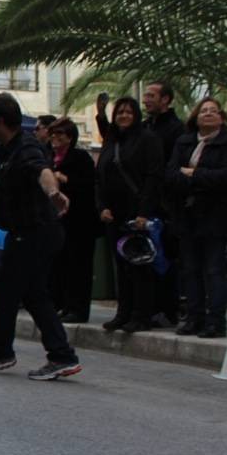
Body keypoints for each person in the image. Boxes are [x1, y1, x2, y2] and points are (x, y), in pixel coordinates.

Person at [0, 93, 81, 380]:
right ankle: (61, 355)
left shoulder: (26, 146)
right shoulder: (4, 149)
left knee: (6, 291)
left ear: (0, 121)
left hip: (36, 233)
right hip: (25, 233)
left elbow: (42, 171)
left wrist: (53, 193)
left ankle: (0, 353)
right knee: (33, 294)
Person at [167, 97, 227, 338]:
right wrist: (197, 179)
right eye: (203, 111)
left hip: (216, 216)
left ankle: (215, 321)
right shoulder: (184, 142)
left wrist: (194, 175)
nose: (208, 114)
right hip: (187, 215)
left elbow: (226, 177)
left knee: (214, 270)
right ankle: (194, 317)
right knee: (190, 269)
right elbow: (171, 174)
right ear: (196, 117)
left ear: (221, 117)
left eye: (213, 111)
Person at [97, 96, 164, 334]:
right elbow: (101, 177)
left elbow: (153, 177)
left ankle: (141, 314)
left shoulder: (147, 140)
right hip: (113, 214)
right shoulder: (111, 141)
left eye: (128, 112)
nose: (123, 116)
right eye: (119, 113)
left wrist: (144, 212)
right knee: (121, 267)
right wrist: (102, 206)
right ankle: (123, 313)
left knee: (139, 266)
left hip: (137, 213)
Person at [47, 118, 98, 323]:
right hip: (58, 221)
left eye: (60, 134)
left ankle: (78, 308)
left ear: (70, 137)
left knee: (79, 266)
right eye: (53, 134)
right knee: (62, 264)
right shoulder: (50, 159)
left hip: (80, 220)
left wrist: (65, 179)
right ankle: (64, 305)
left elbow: (89, 185)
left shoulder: (80, 157)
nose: (55, 138)